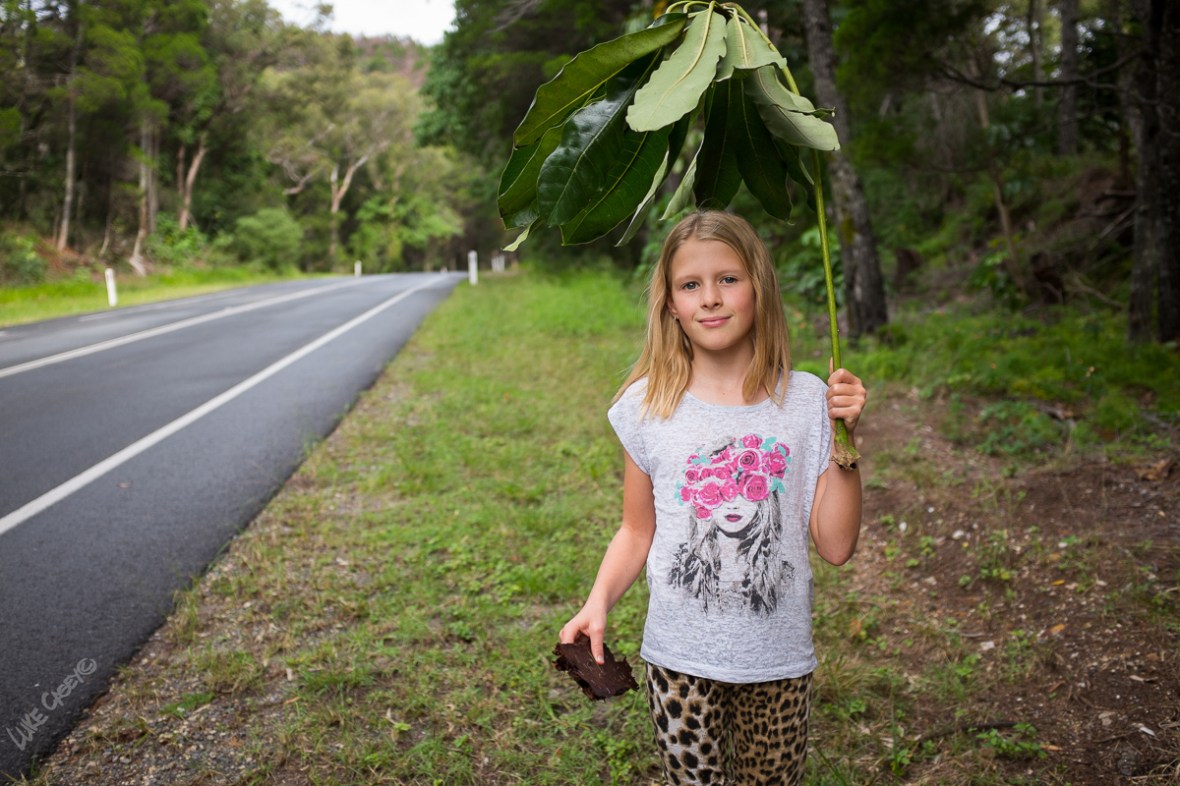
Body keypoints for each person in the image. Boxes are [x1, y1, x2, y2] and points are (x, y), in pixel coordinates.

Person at [559, 210, 867, 786]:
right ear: (671, 305)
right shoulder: (648, 406)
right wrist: (598, 601)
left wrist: (846, 441)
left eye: (728, 279)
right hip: (679, 661)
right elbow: (636, 530)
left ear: (759, 287)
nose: (710, 298)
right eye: (690, 285)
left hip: (778, 663)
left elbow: (836, 545)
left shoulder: (808, 401)